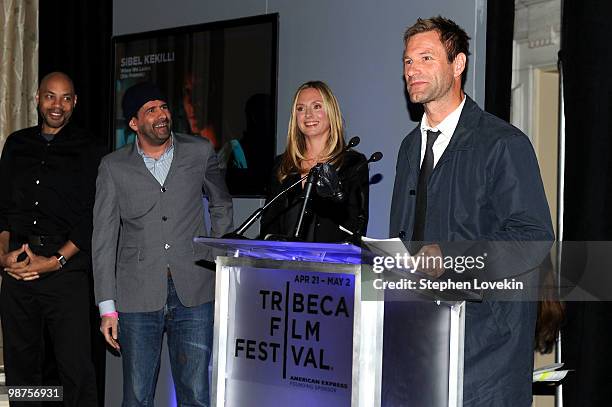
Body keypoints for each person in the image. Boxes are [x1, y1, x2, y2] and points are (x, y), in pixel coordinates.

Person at [389, 17, 554, 406]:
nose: (412, 70)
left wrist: (450, 256)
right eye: (408, 62)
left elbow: (533, 237)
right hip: (421, 343)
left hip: (486, 353)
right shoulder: (409, 149)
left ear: (458, 64)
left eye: (425, 58)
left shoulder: (503, 144)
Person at [92, 82, 233, 406]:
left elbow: (221, 203)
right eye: (150, 110)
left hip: (194, 291)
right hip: (136, 295)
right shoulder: (113, 167)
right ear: (133, 123)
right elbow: (103, 238)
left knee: (195, 394)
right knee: (138, 396)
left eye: (164, 107)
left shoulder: (199, 151)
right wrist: (107, 308)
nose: (161, 115)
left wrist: (216, 257)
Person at [0, 72, 102, 406]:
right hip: (19, 267)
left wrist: (55, 260)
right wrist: (3, 255)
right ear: (37, 98)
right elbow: (3, 207)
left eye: (66, 98)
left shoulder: (90, 149)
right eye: (50, 96)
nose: (57, 105)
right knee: (22, 372)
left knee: (75, 370)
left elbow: (92, 216)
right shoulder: (16, 144)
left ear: (75, 103)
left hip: (66, 270)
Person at [260, 81, 369, 242]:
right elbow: (269, 223)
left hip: (331, 263)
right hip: (284, 263)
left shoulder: (352, 163)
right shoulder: (282, 165)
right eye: (301, 108)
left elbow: (354, 224)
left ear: (331, 112)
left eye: (316, 106)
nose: (308, 115)